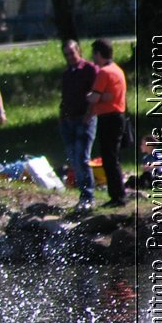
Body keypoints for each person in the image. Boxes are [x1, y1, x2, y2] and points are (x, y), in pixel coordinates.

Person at [85, 39, 129, 208]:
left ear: (98, 54)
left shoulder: (103, 72)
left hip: (109, 118)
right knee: (113, 157)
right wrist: (103, 97)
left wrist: (87, 96)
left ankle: (117, 197)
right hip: (118, 116)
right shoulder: (117, 70)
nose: (93, 58)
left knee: (109, 158)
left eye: (94, 54)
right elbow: (107, 95)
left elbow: (94, 97)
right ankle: (118, 194)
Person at [58, 39, 100, 213]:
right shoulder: (67, 73)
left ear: (79, 51)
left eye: (72, 53)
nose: (70, 57)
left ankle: (88, 196)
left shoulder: (90, 69)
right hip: (68, 119)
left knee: (82, 157)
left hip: (84, 118)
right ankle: (82, 193)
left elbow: (96, 93)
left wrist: (89, 114)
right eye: (66, 54)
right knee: (73, 158)